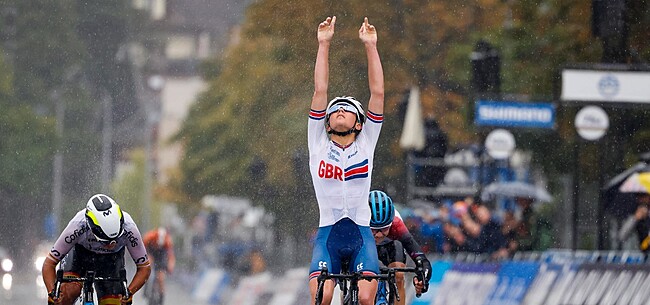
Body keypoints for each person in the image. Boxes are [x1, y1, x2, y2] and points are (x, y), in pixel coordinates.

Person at [308, 15, 384, 305]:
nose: (339, 110)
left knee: (366, 299)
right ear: (326, 123)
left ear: (360, 123)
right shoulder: (317, 141)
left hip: (361, 235)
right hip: (328, 234)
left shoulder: (366, 142)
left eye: (347, 109)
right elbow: (320, 91)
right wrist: (323, 44)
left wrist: (371, 46)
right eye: (335, 110)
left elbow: (377, 93)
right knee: (322, 297)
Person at [42, 194, 151, 305]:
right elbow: (49, 264)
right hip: (79, 255)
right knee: (67, 294)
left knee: (114, 302)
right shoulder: (77, 226)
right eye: (106, 241)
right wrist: (52, 293)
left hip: (110, 261)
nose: (111, 244)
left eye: (116, 238)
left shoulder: (130, 228)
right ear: (91, 227)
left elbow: (144, 268)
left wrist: (130, 291)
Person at [368, 190, 431, 305]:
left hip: (391, 245)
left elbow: (422, 260)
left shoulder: (397, 224)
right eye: (374, 229)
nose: (378, 234)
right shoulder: (358, 222)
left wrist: (423, 280)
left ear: (391, 223)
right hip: (365, 245)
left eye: (384, 228)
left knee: (398, 275)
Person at [142, 227, 175, 299]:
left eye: (159, 245)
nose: (158, 246)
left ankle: (161, 296)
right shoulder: (149, 237)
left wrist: (170, 266)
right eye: (157, 244)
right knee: (147, 266)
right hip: (150, 251)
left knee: (161, 277)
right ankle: (146, 286)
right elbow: (142, 249)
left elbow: (171, 256)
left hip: (161, 254)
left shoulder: (168, 241)